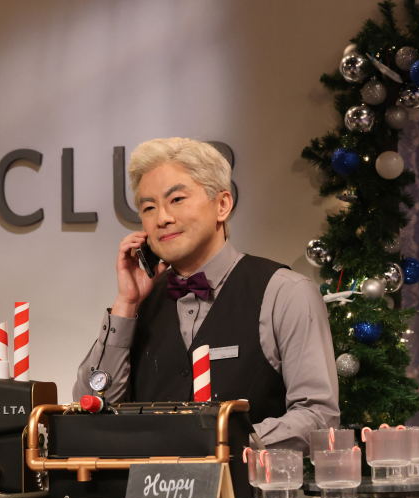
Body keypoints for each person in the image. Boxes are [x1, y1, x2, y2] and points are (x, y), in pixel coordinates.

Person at [73, 137, 338, 452]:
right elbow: (90, 408)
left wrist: (220, 443)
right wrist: (125, 305)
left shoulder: (285, 292)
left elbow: (318, 418)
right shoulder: (138, 304)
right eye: (148, 207)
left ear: (222, 205)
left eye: (177, 199)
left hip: (248, 496)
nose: (162, 218)